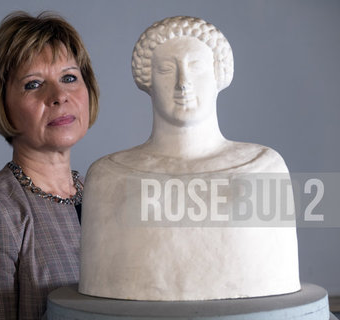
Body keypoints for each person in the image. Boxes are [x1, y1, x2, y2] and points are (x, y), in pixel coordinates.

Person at [79, 16, 299, 301]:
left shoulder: (264, 167)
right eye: (167, 70)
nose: (183, 84)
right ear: (147, 78)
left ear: (219, 74)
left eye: (196, 67)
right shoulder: (108, 176)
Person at [0, 11, 99, 319]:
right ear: (2, 104)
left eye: (69, 77)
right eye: (33, 84)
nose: (59, 95)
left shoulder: (106, 197)